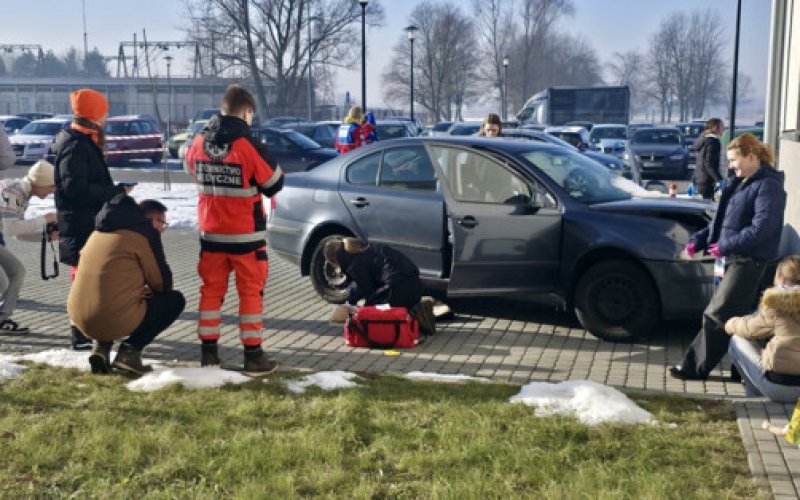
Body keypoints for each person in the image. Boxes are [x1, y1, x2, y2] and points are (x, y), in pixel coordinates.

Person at [669, 133, 786, 381]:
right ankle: (743, 370)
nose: (730, 166)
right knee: (741, 318)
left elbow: (761, 228)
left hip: (748, 261)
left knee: (717, 313)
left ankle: (693, 368)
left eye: (734, 160)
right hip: (732, 258)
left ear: (752, 157)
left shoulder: (768, 186)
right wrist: (698, 240)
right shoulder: (740, 182)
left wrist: (725, 245)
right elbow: (722, 224)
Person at [185, 84, 284, 376]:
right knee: (250, 294)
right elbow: (274, 183)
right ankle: (253, 355)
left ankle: (209, 353)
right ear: (246, 111)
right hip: (246, 237)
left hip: (211, 234)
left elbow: (190, 169)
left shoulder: (198, 141)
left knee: (210, 292)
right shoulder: (248, 144)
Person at [68, 196, 185, 375]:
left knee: (111, 297)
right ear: (153, 221)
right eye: (163, 223)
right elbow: (162, 285)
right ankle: (129, 353)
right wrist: (147, 290)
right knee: (175, 300)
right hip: (111, 317)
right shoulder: (142, 237)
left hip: (78, 317)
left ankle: (101, 348)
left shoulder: (98, 232)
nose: (162, 228)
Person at [52, 88, 129, 350]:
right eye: (104, 111)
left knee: (87, 279)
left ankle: (87, 331)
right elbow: (75, 188)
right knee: (82, 281)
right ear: (94, 115)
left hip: (86, 222)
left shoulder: (84, 140)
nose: (107, 116)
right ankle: (80, 334)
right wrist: (113, 192)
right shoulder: (76, 145)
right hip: (80, 223)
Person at [323, 237, 435, 335]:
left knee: (370, 310)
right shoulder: (365, 248)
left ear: (335, 260)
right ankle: (413, 309)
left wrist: (350, 304)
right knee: (373, 301)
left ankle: (411, 316)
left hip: (398, 288)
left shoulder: (354, 265)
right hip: (414, 284)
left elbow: (366, 289)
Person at [725, 256, 800, 402]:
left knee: (737, 340)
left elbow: (748, 329)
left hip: (781, 388)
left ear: (782, 279)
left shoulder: (776, 304)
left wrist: (729, 323)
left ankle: (754, 396)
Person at [0, 160, 58, 334]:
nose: (52, 191)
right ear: (39, 183)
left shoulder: (23, 194)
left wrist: (45, 236)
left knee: (17, 272)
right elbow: (11, 228)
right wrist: (45, 219)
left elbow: (18, 232)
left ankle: (2, 320)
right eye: (50, 186)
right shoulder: (11, 191)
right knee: (3, 282)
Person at [691, 118, 724, 200]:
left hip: (699, 180)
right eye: (722, 126)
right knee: (707, 209)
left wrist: (693, 180)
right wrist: (719, 180)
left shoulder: (704, 140)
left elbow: (699, 163)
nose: (723, 129)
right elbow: (709, 164)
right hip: (707, 182)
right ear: (716, 127)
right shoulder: (713, 142)